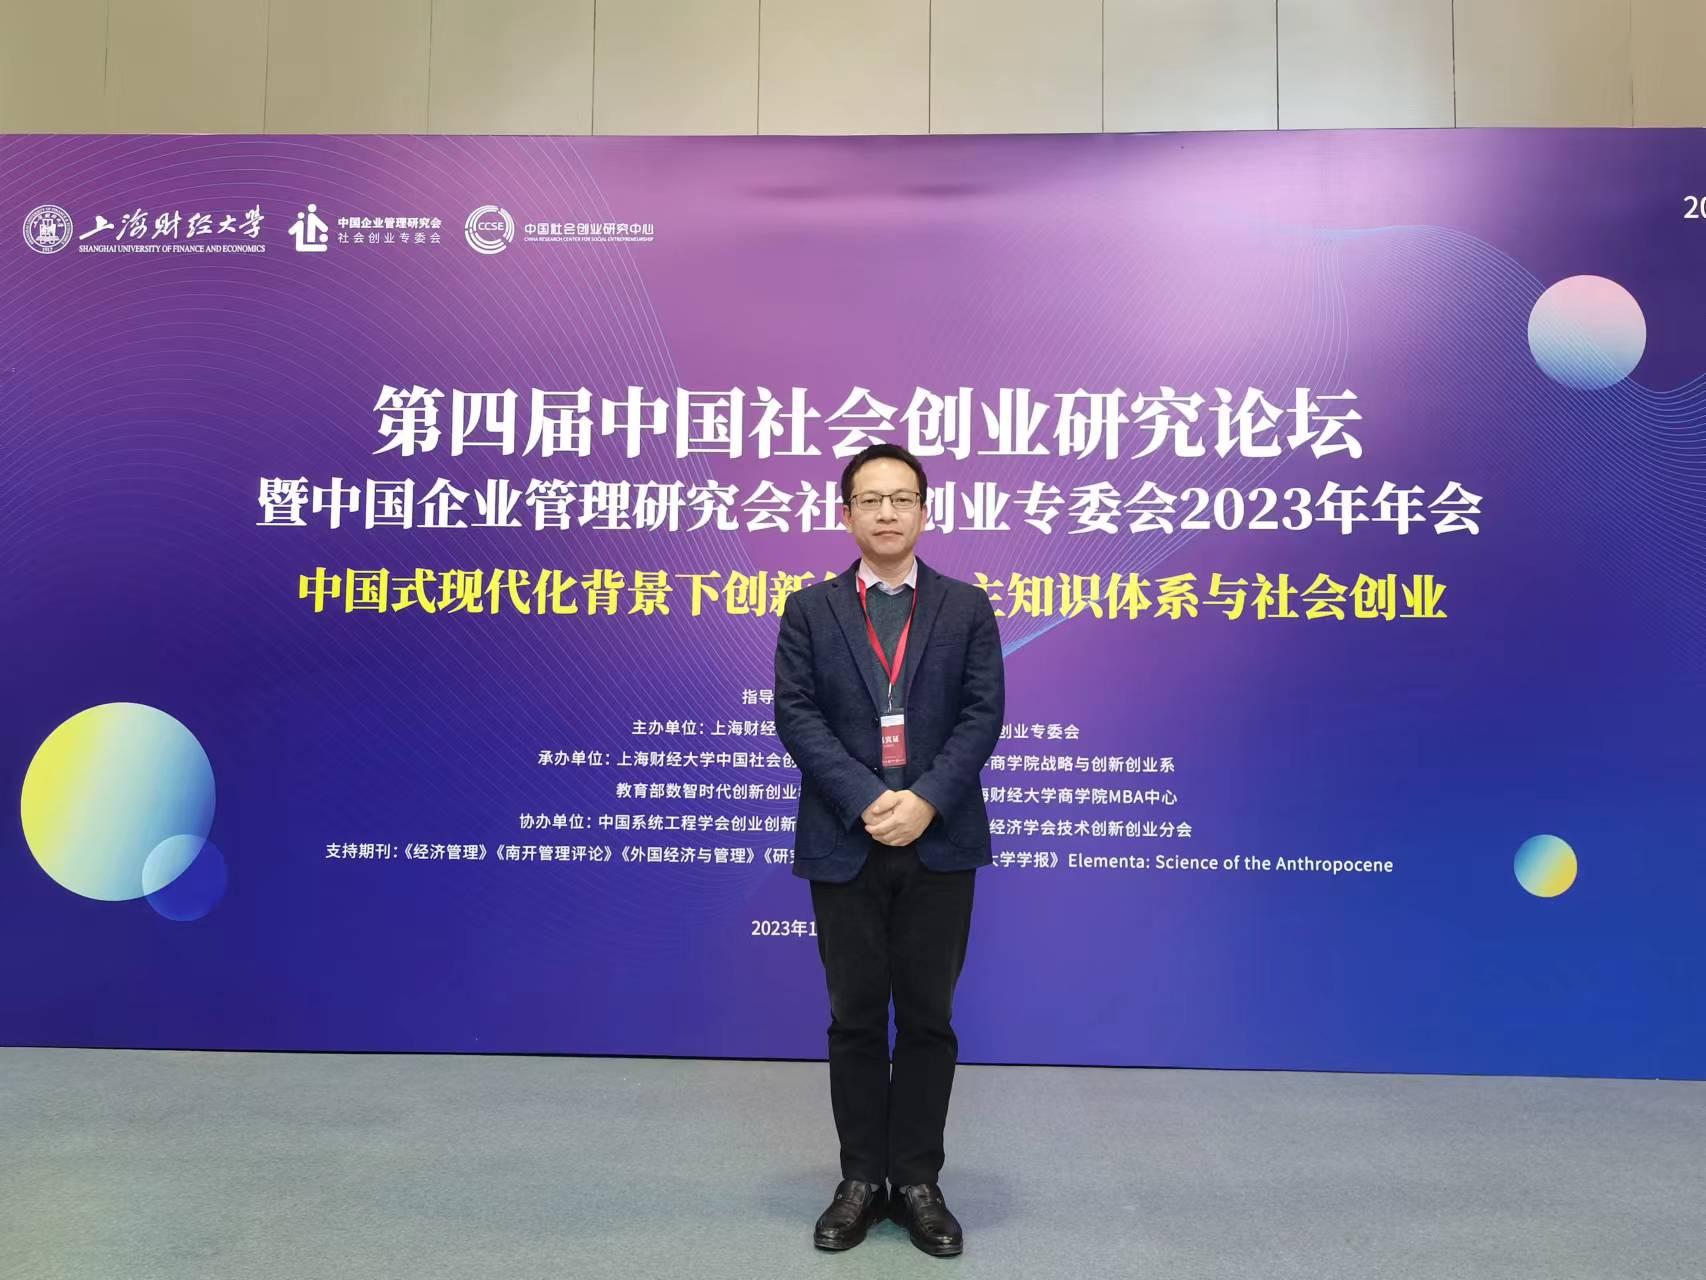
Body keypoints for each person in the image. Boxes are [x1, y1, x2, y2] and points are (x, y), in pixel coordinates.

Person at [773, 443, 1005, 1257]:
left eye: (901, 498)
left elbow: (981, 714)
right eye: (869, 500)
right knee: (855, 1018)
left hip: (940, 841)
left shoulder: (966, 607)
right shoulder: (810, 609)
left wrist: (926, 800)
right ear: (846, 515)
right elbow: (796, 714)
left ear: (924, 512)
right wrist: (869, 798)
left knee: (930, 1019)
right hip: (847, 838)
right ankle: (861, 1180)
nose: (886, 513)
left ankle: (917, 1182)